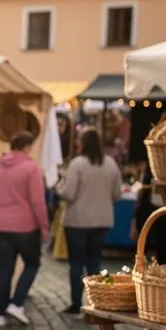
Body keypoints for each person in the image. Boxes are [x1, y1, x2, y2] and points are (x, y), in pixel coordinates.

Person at [0, 131, 49, 328]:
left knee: (5, 267)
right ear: (27, 146)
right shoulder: (31, 168)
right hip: (24, 226)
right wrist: (44, 226)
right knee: (32, 263)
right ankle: (17, 303)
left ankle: (1, 313)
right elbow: (38, 201)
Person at [58, 126, 122, 314]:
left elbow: (69, 193)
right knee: (94, 262)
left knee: (76, 263)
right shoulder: (110, 164)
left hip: (78, 220)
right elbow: (117, 194)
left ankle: (76, 303)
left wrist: (57, 189)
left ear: (83, 143)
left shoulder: (78, 164)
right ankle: (96, 300)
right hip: (102, 221)